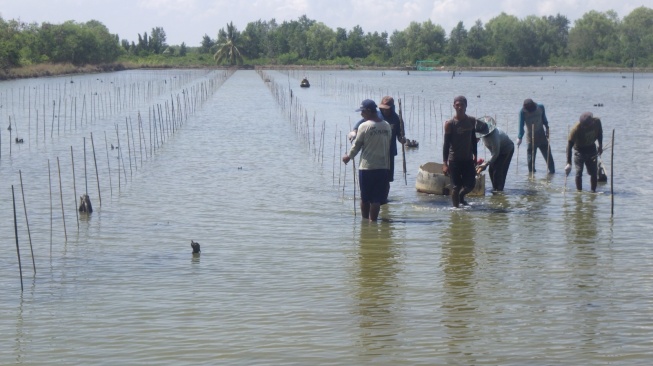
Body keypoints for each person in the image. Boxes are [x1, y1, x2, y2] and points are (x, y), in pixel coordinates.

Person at [348, 96, 405, 203]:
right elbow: (361, 123)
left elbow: (400, 135)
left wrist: (402, 139)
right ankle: (375, 200)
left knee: (386, 178)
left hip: (389, 152)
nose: (385, 110)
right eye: (383, 108)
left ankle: (383, 199)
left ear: (392, 108)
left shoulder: (396, 118)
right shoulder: (376, 115)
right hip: (374, 151)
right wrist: (354, 131)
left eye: (387, 108)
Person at [342, 99, 392, 221]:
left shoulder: (364, 126)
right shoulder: (387, 126)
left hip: (367, 168)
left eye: (363, 112)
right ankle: (372, 223)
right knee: (376, 199)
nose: (361, 114)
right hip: (383, 167)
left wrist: (348, 156)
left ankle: (365, 222)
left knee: (365, 198)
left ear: (369, 111)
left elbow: (357, 145)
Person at [443, 96, 485, 207]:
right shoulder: (449, 124)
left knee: (471, 185)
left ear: (466, 106)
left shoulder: (471, 121)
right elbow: (446, 145)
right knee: (456, 187)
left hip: (467, 159)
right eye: (457, 105)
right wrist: (444, 163)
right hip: (454, 160)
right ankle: (456, 210)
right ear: (454, 106)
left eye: (462, 105)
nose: (460, 107)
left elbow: (473, 140)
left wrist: (475, 155)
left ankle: (461, 197)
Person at [564, 112, 603, 192]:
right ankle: (579, 193)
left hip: (592, 149)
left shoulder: (597, 122)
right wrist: (569, 162)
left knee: (594, 173)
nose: (585, 127)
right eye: (583, 126)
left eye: (587, 126)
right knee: (579, 173)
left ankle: (593, 192)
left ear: (591, 122)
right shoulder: (576, 129)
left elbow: (599, 133)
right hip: (579, 151)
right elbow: (569, 145)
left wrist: (600, 145)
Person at [475, 116, 515, 192]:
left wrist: (485, 163)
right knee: (491, 170)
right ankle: (495, 189)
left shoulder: (493, 137)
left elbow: (495, 153)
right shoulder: (483, 135)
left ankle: (499, 190)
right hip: (496, 152)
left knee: (498, 169)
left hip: (506, 150)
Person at [517, 98, 555, 174]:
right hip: (530, 139)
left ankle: (552, 174)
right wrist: (519, 137)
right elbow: (521, 125)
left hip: (542, 137)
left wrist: (547, 128)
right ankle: (532, 180)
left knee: (549, 158)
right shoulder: (522, 112)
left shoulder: (540, 107)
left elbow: (544, 119)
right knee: (530, 164)